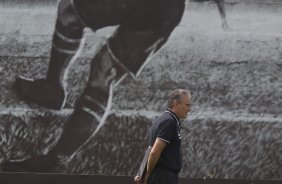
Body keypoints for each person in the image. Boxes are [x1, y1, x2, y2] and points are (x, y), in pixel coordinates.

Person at [3, 0, 186, 172]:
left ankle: (58, 159)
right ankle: (53, 89)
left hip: (157, 10)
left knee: (103, 72)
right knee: (70, 12)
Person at [134, 89, 191, 184]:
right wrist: (147, 174)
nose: (189, 109)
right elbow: (154, 152)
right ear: (176, 104)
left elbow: (150, 147)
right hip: (163, 178)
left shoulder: (163, 119)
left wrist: (141, 172)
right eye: (187, 105)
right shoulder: (169, 122)